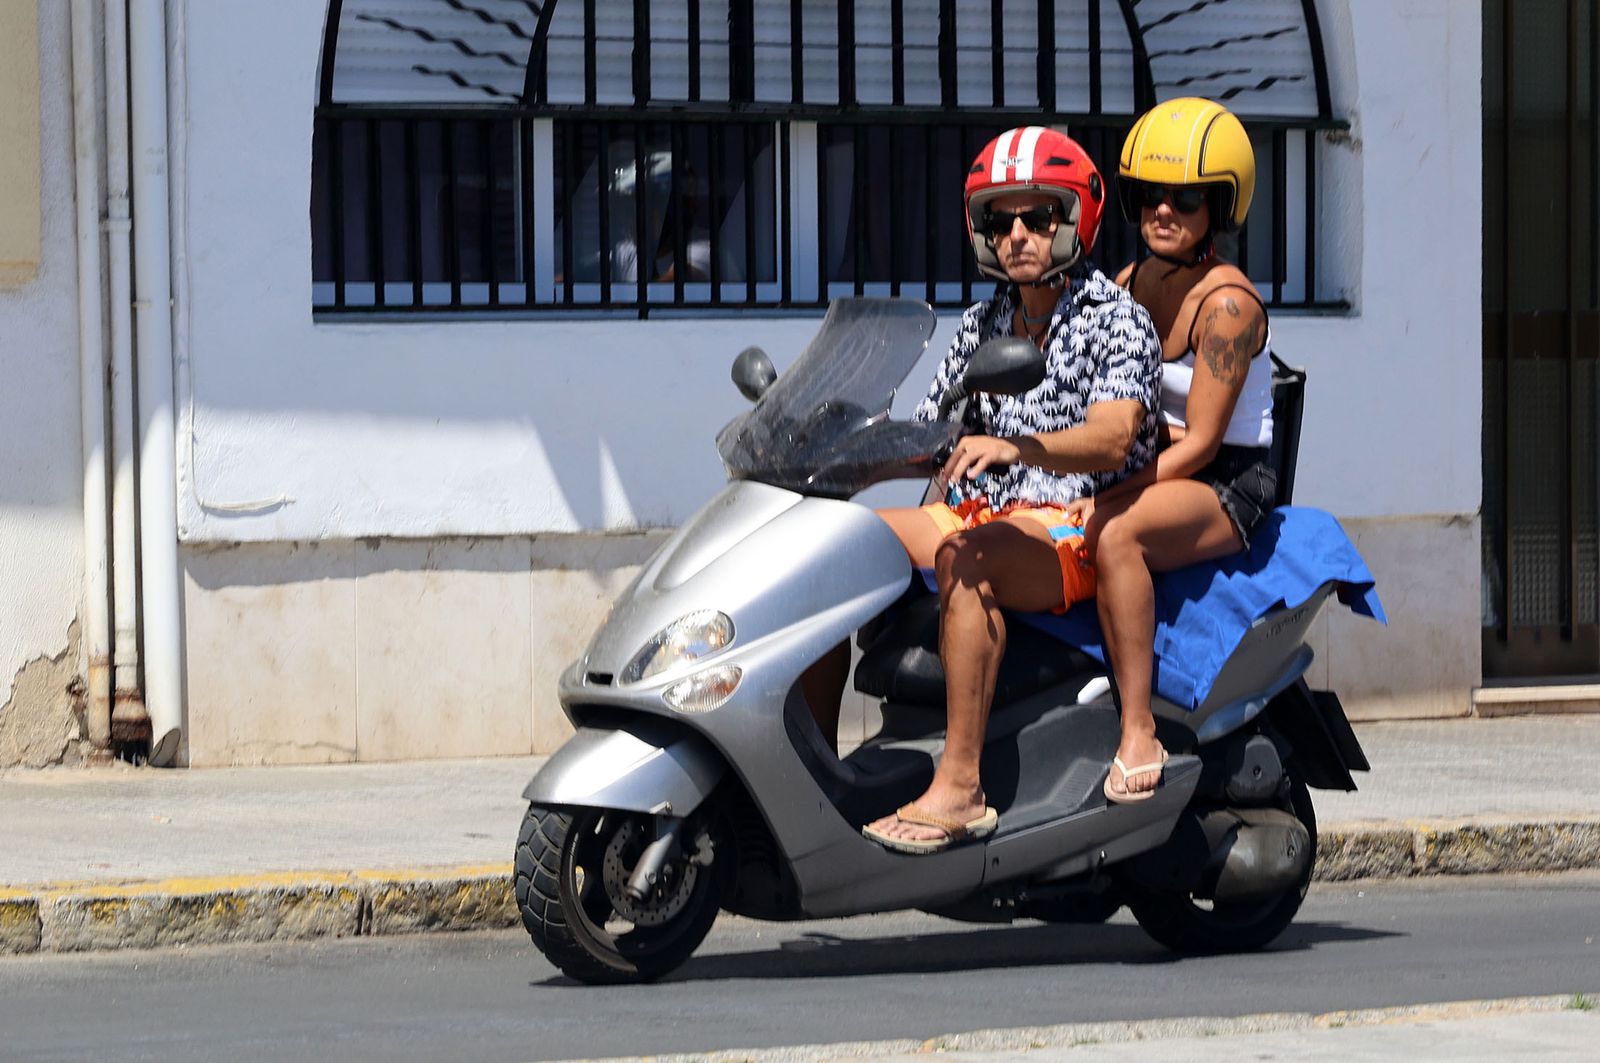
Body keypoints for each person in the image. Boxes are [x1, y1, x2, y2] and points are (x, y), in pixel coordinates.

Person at [809, 126, 1163, 853]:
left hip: (1069, 522)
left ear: (1078, 220)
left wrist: (1018, 445)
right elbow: (935, 429)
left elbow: (1113, 436)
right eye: (1000, 221)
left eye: (1040, 218)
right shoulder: (984, 323)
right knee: (825, 547)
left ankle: (962, 785)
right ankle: (814, 773)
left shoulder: (1117, 321)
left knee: (965, 557)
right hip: (978, 509)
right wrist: (845, 443)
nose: (1019, 236)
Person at [1068, 97, 1278, 803]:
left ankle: (1137, 729)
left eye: (1186, 198)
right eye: (1149, 196)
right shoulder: (1126, 285)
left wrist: (1107, 495)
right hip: (1144, 457)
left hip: (1222, 479)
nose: (1164, 211)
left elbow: (1204, 444)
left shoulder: (1229, 307)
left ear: (1220, 208)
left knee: (1117, 538)